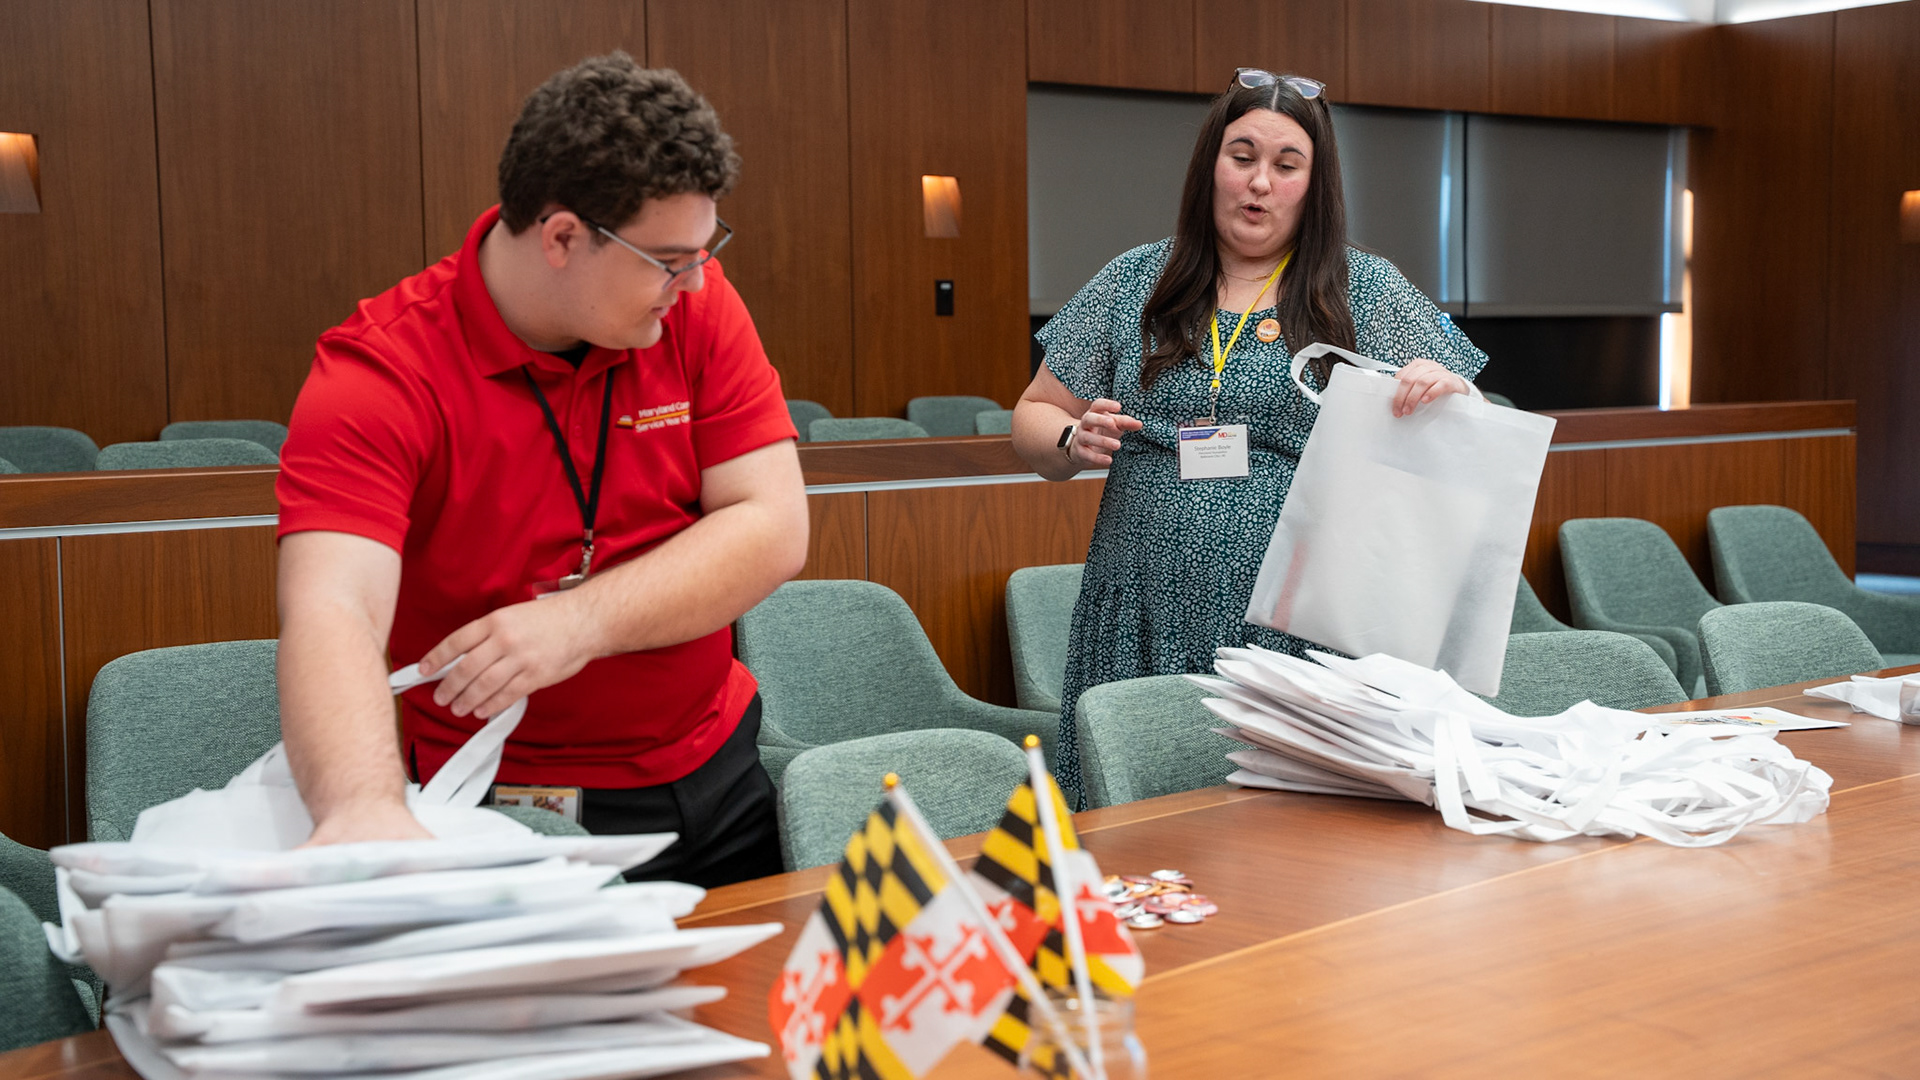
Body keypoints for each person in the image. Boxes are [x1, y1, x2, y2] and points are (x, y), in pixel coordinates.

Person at [274, 54, 808, 887]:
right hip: (511, 804)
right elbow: (332, 606)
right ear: (561, 237)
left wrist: (577, 623)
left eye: (705, 251)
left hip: (719, 766)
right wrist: (361, 809)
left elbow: (771, 527)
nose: (695, 281)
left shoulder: (695, 306)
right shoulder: (381, 372)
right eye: (670, 259)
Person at [1011, 70, 1489, 804]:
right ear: (1211, 166)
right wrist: (1072, 438)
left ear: (1314, 184)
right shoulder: (1137, 280)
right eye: (1242, 157)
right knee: (1140, 818)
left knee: (1287, 827)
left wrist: (1444, 390)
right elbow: (1034, 413)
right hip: (1142, 602)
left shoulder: (1363, 289)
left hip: (1303, 618)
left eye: (1286, 165)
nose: (1260, 182)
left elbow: (1469, 428)